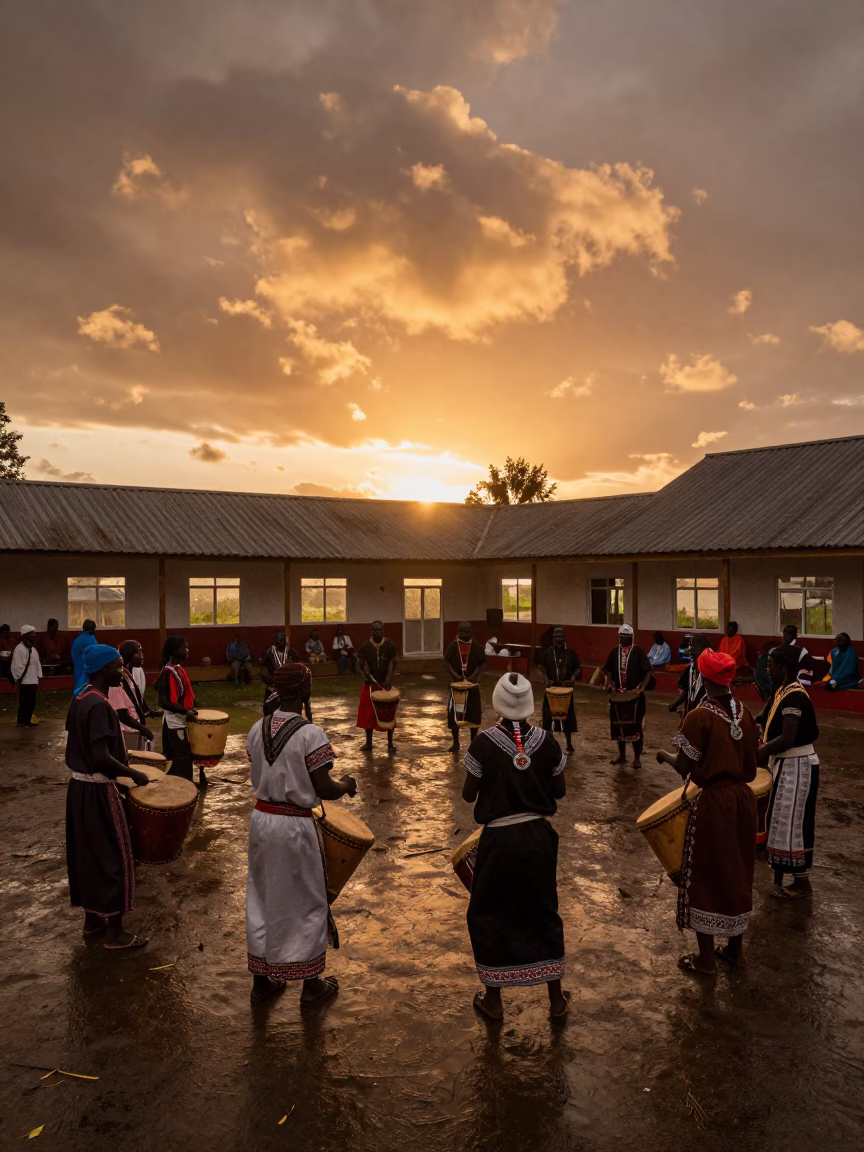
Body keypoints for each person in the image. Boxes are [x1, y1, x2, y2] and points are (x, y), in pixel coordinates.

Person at [245, 662, 357, 1004]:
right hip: (294, 825)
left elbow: (257, 770)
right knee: (308, 899)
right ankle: (311, 986)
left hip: (262, 820)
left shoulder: (257, 728)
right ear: (305, 690)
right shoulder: (311, 734)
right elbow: (323, 787)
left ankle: (262, 983)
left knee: (262, 896)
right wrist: (347, 785)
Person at [461, 672, 569, 1022]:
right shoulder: (548, 741)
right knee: (543, 908)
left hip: (500, 840)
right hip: (538, 838)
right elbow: (559, 791)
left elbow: (468, 795)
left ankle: (494, 1001)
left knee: (490, 911)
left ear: (498, 703)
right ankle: (556, 1001)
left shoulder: (483, 743)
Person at [655, 649, 757, 976]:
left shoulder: (699, 716)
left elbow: (685, 766)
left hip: (715, 802)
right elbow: (752, 768)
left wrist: (664, 755)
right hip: (744, 800)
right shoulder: (745, 714)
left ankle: (707, 960)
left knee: (706, 872)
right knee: (738, 870)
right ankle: (735, 952)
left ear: (701, 678)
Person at [65, 643, 150, 949]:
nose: (121, 671)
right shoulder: (99, 705)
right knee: (115, 856)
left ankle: (92, 922)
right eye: (117, 667)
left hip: (79, 790)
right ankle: (115, 934)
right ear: (103, 670)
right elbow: (100, 756)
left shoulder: (81, 696)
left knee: (88, 856)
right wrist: (133, 774)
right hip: (99, 790)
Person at [756, 644, 820, 900]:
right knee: (779, 819)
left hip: (798, 765)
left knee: (794, 823)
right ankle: (780, 875)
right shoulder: (781, 690)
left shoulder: (795, 696)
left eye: (770, 665)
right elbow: (763, 717)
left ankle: (802, 883)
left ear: (783, 668)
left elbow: (787, 738)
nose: (767, 669)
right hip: (784, 764)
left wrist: (758, 754)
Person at [602, 624, 652, 769]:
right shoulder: (614, 652)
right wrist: (608, 684)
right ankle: (622, 756)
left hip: (634, 695)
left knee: (635, 726)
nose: (624, 638)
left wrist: (642, 689)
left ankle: (637, 758)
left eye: (627, 636)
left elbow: (648, 671)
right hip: (618, 695)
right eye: (622, 636)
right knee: (619, 725)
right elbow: (609, 670)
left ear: (631, 637)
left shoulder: (637, 652)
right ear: (619, 637)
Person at [156, 636, 201, 785]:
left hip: (179, 720)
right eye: (184, 648)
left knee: (182, 756)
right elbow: (163, 701)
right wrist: (185, 712)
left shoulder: (177, 669)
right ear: (175, 651)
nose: (187, 651)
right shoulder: (168, 672)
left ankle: (182, 786)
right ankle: (182, 788)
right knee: (181, 757)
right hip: (174, 723)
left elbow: (184, 695)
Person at [444, 621, 487, 754]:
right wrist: (454, 675)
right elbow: (446, 661)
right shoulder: (453, 646)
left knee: (473, 715)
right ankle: (456, 743)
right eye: (461, 632)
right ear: (458, 631)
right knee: (455, 715)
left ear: (471, 633)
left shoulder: (476, 646)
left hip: (472, 687)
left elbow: (483, 662)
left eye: (466, 632)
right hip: (457, 688)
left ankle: (473, 743)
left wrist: (475, 676)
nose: (463, 635)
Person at [356, 621, 397, 753]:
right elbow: (359, 665)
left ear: (383, 631)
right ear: (371, 631)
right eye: (375, 630)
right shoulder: (366, 646)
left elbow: (392, 664)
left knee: (389, 714)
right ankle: (368, 743)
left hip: (385, 684)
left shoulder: (389, 645)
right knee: (369, 715)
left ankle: (390, 744)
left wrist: (388, 679)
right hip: (370, 685)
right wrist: (366, 678)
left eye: (380, 629)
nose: (377, 632)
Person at [108, 640, 157, 750]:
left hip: (134, 728)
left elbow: (136, 697)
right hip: (126, 730)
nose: (142, 656)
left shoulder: (128, 675)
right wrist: (143, 729)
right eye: (140, 652)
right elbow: (121, 713)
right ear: (131, 655)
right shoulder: (117, 680)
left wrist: (147, 710)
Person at [539, 626, 580, 754]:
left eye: (561, 637)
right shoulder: (548, 653)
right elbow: (541, 666)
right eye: (556, 637)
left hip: (566, 691)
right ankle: (547, 743)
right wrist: (545, 678)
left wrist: (573, 678)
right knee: (547, 718)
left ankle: (569, 744)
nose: (559, 640)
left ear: (564, 638)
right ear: (553, 639)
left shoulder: (570, 653)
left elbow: (579, 668)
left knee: (567, 718)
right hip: (551, 690)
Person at [261, 633, 310, 721]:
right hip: (272, 688)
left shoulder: (292, 653)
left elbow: (298, 669)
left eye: (281, 641)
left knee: (291, 712)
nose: (279, 643)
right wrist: (272, 683)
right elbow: (264, 671)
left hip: (291, 689)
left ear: (285, 642)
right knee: (270, 711)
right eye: (277, 642)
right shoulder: (268, 653)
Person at [668, 634, 709, 719]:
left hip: (707, 714)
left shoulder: (712, 670)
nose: (693, 658)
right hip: (691, 712)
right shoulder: (689, 670)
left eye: (696, 655)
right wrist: (674, 704)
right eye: (691, 655)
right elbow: (686, 691)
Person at [11, 624, 42, 728]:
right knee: (25, 702)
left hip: (32, 680)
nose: (34, 636)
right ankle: (21, 721)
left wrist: (38, 677)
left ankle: (27, 721)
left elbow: (37, 663)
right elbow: (16, 665)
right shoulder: (19, 649)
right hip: (25, 681)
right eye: (31, 634)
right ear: (25, 635)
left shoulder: (33, 649)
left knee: (32, 702)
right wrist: (19, 677)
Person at [70, 619, 98, 694]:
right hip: (88, 669)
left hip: (78, 667)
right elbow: (95, 655)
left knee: (79, 690)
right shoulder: (91, 639)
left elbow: (73, 655)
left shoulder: (77, 640)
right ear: (92, 630)